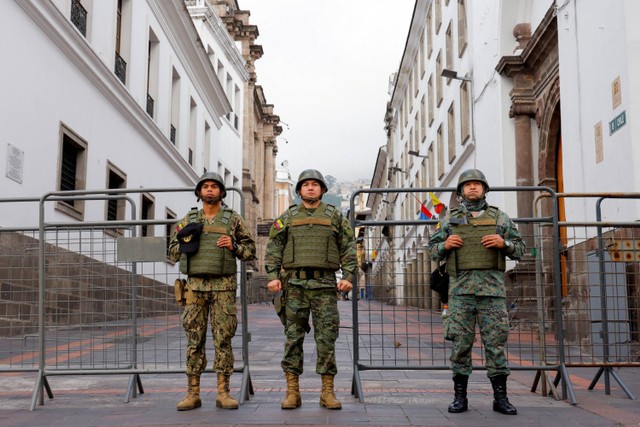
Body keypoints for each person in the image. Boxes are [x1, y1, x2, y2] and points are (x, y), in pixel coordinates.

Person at [427, 169, 525, 415]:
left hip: (492, 293)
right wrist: (445, 245)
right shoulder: (449, 218)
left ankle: (500, 398)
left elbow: (521, 249)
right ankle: (460, 397)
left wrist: (505, 244)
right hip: (460, 292)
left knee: (496, 344)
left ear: (484, 189)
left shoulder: (500, 218)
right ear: (461, 191)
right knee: (461, 344)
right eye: (467, 185)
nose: (472, 188)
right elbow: (431, 249)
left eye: (477, 184)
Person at [265, 169, 357, 410]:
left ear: (323, 190)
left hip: (325, 285)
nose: (310, 188)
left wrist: (348, 276)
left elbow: (348, 246)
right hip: (294, 286)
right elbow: (274, 246)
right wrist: (273, 276)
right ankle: (292, 391)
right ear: (299, 190)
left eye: (315, 184)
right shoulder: (287, 217)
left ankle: (327, 391)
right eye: (306, 184)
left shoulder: (335, 216)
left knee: (326, 338)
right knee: (293, 338)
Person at [169, 172, 255, 411]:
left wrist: (234, 245)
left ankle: (223, 392)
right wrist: (187, 241)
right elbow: (172, 251)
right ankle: (192, 393)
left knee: (223, 340)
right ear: (199, 193)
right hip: (195, 287)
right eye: (205, 186)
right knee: (194, 340)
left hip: (224, 287)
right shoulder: (189, 218)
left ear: (222, 193)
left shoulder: (232, 219)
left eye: (214, 187)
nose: (209, 190)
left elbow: (250, 250)